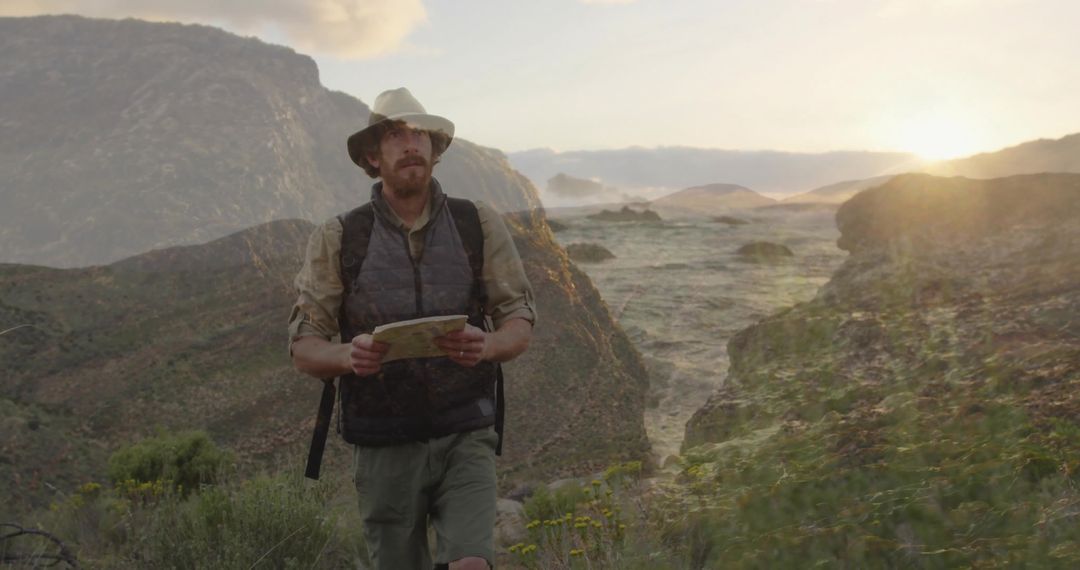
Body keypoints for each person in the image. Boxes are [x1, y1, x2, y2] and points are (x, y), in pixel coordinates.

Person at [288, 87, 536, 570]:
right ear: (371, 155)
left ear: (434, 151)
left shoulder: (476, 222)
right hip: (383, 441)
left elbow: (519, 321)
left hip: (466, 430)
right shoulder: (339, 236)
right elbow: (304, 347)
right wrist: (348, 356)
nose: (410, 144)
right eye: (396, 135)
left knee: (471, 564)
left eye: (420, 135)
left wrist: (488, 345)